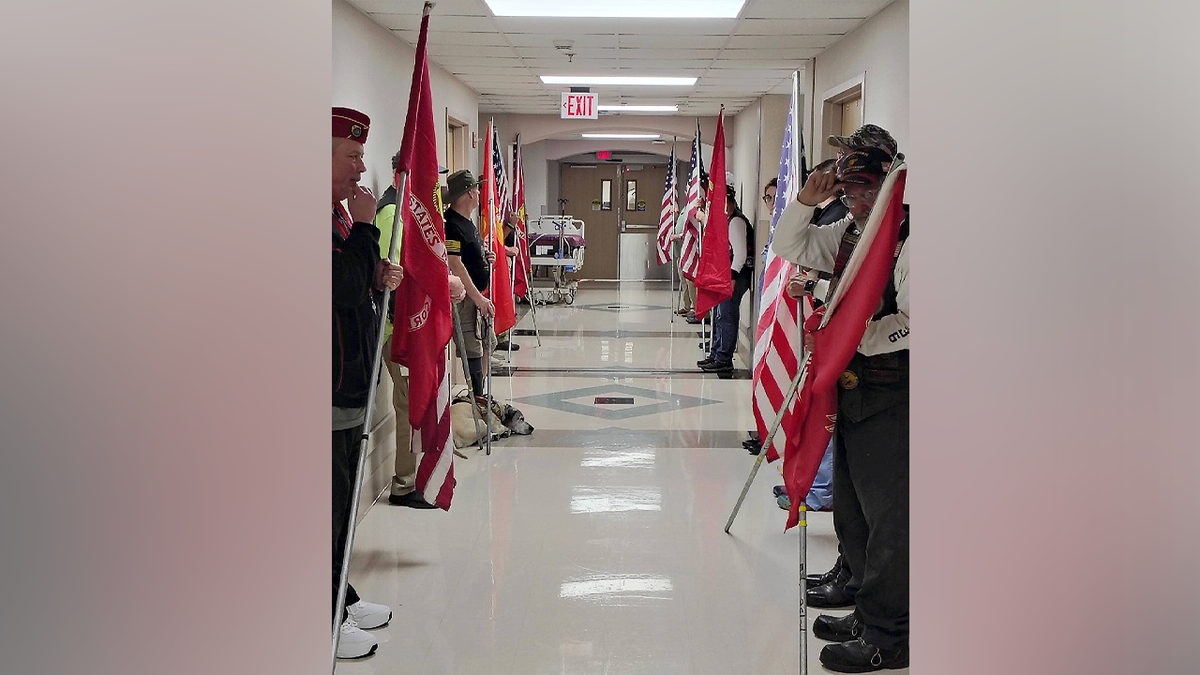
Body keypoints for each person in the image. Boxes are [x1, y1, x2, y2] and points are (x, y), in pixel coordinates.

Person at [771, 140, 909, 673]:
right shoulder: (855, 231)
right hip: (852, 388)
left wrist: (852, 338)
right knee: (852, 510)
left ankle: (888, 634)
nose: (854, 202)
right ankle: (862, 601)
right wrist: (806, 200)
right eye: (848, 192)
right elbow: (792, 245)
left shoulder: (907, 234)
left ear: (890, 185)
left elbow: (914, 319)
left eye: (865, 190)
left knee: (889, 520)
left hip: (893, 391)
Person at [331, 106, 400, 659]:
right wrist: (369, 229)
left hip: (349, 382)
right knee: (327, 507)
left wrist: (378, 273)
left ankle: (340, 596)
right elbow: (339, 290)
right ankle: (324, 618)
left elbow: (357, 285)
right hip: (327, 389)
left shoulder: (339, 218)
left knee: (341, 503)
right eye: (351, 155)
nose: (361, 166)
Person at [375, 153, 465, 509]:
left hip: (415, 329)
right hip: (399, 331)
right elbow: (394, 275)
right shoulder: (390, 213)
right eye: (432, 177)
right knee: (408, 404)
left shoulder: (413, 211)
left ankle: (419, 474)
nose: (439, 185)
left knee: (418, 401)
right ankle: (405, 483)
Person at [443, 169, 496, 405]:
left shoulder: (468, 222)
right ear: (467, 194)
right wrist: (477, 299)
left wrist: (486, 257)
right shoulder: (452, 225)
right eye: (475, 188)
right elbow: (455, 263)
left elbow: (471, 255)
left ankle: (479, 395)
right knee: (473, 347)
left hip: (478, 295)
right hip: (466, 298)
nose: (478, 192)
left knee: (487, 343)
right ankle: (476, 398)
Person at [698, 183, 754, 373]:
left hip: (736, 276)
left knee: (726, 314)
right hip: (726, 274)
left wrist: (731, 278)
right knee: (719, 315)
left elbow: (739, 255)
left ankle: (723, 358)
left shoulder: (736, 221)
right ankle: (716, 354)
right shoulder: (727, 220)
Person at [671, 172, 707, 323]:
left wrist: (679, 236)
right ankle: (688, 305)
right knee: (684, 278)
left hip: (693, 250)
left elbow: (692, 230)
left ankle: (694, 307)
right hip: (682, 250)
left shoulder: (698, 207)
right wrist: (677, 213)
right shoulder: (687, 207)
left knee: (691, 278)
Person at [495, 211, 522, 351]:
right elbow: (493, 240)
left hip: (504, 260)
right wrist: (510, 224)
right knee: (501, 298)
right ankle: (500, 337)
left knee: (505, 299)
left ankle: (502, 336)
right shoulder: (490, 210)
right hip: (499, 260)